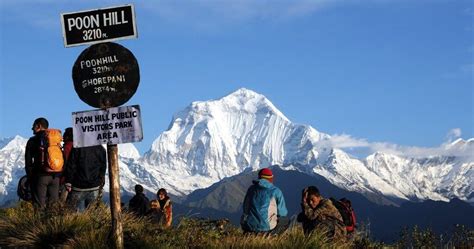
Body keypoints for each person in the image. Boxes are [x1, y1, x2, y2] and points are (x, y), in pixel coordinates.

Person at [24, 117, 60, 209]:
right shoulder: (55, 139)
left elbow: (28, 161)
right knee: (53, 206)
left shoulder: (33, 140)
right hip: (55, 176)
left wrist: (30, 177)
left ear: (39, 126)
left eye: (33, 126)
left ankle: (39, 223)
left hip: (41, 176)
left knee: (39, 206)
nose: (32, 128)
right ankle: (54, 223)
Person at [240, 168, 289, 234]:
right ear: (271, 179)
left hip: (249, 227)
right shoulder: (276, 191)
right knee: (285, 220)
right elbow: (283, 213)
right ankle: (273, 235)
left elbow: (245, 208)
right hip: (267, 228)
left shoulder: (251, 189)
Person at [63, 144, 107, 211]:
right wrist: (100, 181)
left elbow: (71, 166)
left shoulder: (77, 147)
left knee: (75, 215)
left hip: (78, 186)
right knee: (92, 215)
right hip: (94, 186)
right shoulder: (101, 148)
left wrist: (68, 181)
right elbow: (103, 168)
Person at [59, 127, 73, 203]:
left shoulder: (66, 148)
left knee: (62, 203)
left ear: (67, 137)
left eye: (64, 135)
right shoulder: (78, 147)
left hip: (65, 180)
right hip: (76, 180)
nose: (62, 137)